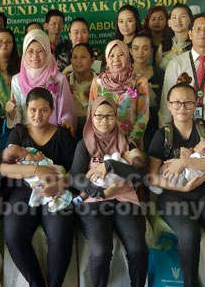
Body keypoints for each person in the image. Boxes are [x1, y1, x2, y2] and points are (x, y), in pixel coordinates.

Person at [146, 78, 205, 287]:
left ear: (195, 104)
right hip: (174, 194)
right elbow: (152, 176)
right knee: (188, 233)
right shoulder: (161, 135)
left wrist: (183, 161)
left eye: (187, 103)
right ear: (168, 105)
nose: (182, 107)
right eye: (176, 103)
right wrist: (183, 187)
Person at [0, 87, 76, 287]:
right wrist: (35, 170)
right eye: (33, 110)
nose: (37, 115)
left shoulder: (62, 135)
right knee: (14, 236)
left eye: (43, 110)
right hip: (23, 193)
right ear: (26, 110)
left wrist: (59, 184)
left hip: (56, 192)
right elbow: (5, 168)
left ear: (51, 111)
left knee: (60, 238)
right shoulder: (18, 133)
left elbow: (76, 173)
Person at [70, 96, 148, 287]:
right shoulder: (84, 145)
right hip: (94, 202)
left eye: (109, 116)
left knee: (138, 249)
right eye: (99, 116)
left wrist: (111, 165)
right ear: (91, 117)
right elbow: (75, 177)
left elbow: (139, 176)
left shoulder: (127, 143)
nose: (104, 121)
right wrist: (98, 192)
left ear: (116, 117)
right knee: (101, 251)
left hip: (125, 199)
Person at [6, 29, 75, 134]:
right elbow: (17, 116)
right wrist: (12, 111)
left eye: (40, 51)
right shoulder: (17, 80)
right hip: (27, 136)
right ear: (24, 53)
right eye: (30, 51)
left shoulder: (59, 79)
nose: (35, 56)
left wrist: (65, 121)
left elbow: (66, 110)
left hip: (52, 135)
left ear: (47, 52)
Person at [90, 40, 149, 148]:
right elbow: (91, 113)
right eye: (111, 56)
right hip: (103, 141)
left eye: (120, 55)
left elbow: (143, 116)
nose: (116, 59)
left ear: (127, 56)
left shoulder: (139, 82)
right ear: (106, 60)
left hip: (130, 142)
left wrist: (131, 141)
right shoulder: (98, 82)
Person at [130, 34, 164, 151]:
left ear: (151, 51)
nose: (140, 52)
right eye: (136, 48)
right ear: (130, 51)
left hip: (153, 123)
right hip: (129, 123)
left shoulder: (160, 74)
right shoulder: (124, 74)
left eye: (145, 48)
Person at [67, 43, 97, 140]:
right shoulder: (64, 82)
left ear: (92, 60)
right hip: (70, 129)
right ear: (70, 60)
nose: (78, 61)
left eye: (83, 57)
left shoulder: (101, 82)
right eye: (74, 57)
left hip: (95, 129)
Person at [161, 4, 193, 70]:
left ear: (190, 20)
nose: (178, 21)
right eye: (174, 17)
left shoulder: (197, 44)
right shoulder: (163, 45)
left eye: (182, 16)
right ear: (169, 23)